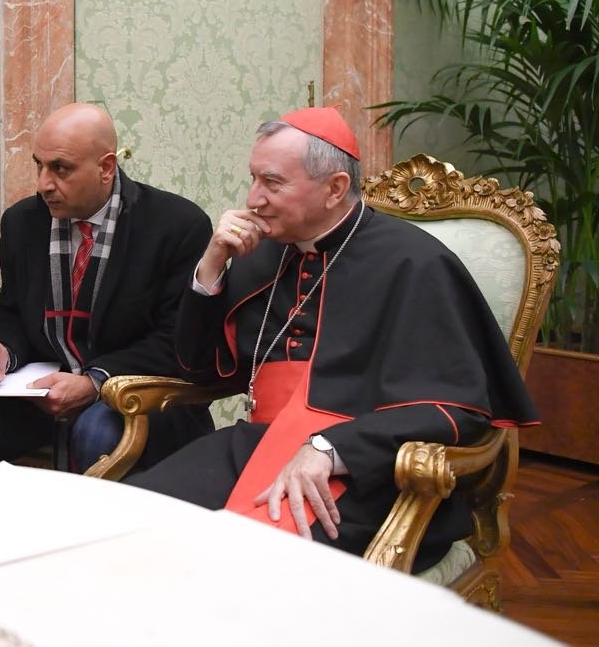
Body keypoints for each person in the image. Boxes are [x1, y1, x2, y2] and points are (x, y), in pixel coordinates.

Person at [125, 107, 538, 570]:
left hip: (373, 469)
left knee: (255, 566)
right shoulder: (265, 255)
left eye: (272, 183)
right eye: (254, 179)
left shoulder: (415, 264)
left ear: (335, 188)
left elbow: (455, 409)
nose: (252, 199)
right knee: (126, 524)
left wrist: (330, 448)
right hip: (259, 442)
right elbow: (199, 368)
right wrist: (211, 267)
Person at [0, 103, 215, 472]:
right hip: (44, 394)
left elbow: (175, 341)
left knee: (96, 431)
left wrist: (94, 381)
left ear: (106, 167)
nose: (43, 184)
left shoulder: (177, 226)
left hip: (137, 396)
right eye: (39, 165)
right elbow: (13, 314)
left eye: (60, 169)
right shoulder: (23, 223)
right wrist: (0, 350)